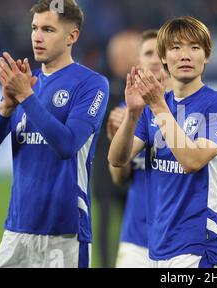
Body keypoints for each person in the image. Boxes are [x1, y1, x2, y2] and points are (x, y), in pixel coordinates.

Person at [0, 0, 109, 268]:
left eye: (49, 30)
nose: (37, 37)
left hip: (64, 232)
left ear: (72, 36)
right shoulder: (27, 84)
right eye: (34, 28)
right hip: (17, 229)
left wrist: (27, 97)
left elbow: (67, 144)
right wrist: (6, 106)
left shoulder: (91, 84)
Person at [108, 16, 217, 268]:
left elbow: (193, 160)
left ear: (206, 56)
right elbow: (116, 159)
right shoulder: (150, 108)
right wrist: (133, 114)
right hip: (157, 246)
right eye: (176, 48)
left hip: (197, 245)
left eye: (194, 47)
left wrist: (157, 105)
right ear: (164, 57)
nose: (185, 55)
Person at [108, 29, 169, 268]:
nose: (154, 59)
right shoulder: (128, 110)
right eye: (147, 53)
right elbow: (119, 176)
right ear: (138, 61)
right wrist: (117, 138)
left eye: (160, 53)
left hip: (177, 240)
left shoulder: (186, 109)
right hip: (135, 239)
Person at [91, 29, 141, 268]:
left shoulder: (146, 86)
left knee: (135, 225)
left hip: (135, 169)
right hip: (104, 168)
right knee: (106, 225)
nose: (134, 58)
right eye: (130, 53)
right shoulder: (100, 85)